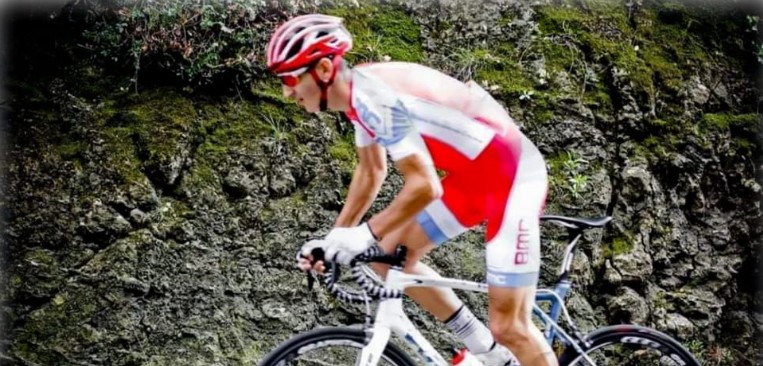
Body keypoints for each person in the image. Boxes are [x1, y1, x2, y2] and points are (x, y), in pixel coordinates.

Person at [265, 14, 556, 366]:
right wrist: (334, 239)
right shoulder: (358, 97)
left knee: (510, 326)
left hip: (515, 176)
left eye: (291, 77)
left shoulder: (376, 99)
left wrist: (363, 233)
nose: (286, 90)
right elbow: (371, 171)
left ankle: (502, 346)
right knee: (388, 253)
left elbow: (425, 185)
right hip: (476, 177)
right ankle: (490, 355)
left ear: (324, 69)